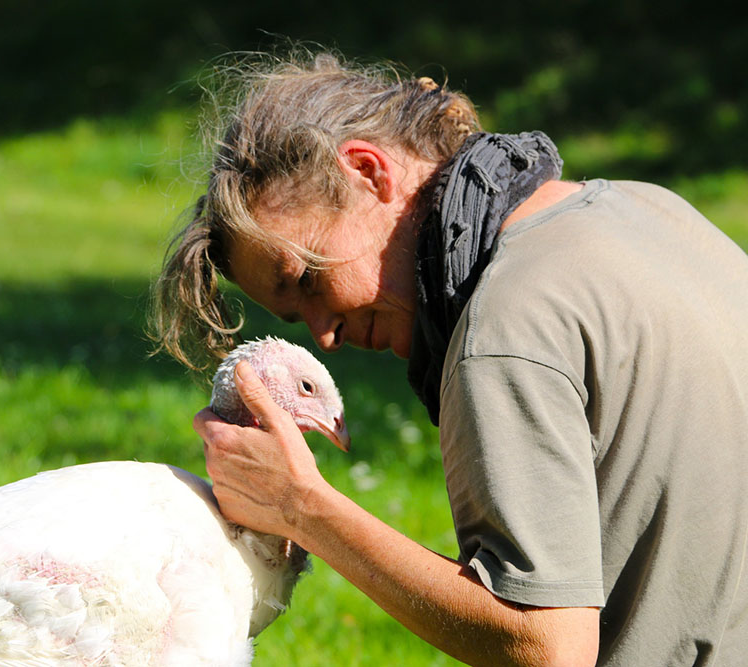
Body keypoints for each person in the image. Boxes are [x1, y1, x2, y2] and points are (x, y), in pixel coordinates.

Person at [150, 50, 748, 666]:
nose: (324, 334)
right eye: (298, 319)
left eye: (306, 279)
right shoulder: (649, 211)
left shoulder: (505, 327)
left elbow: (547, 648)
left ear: (366, 171)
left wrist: (302, 508)